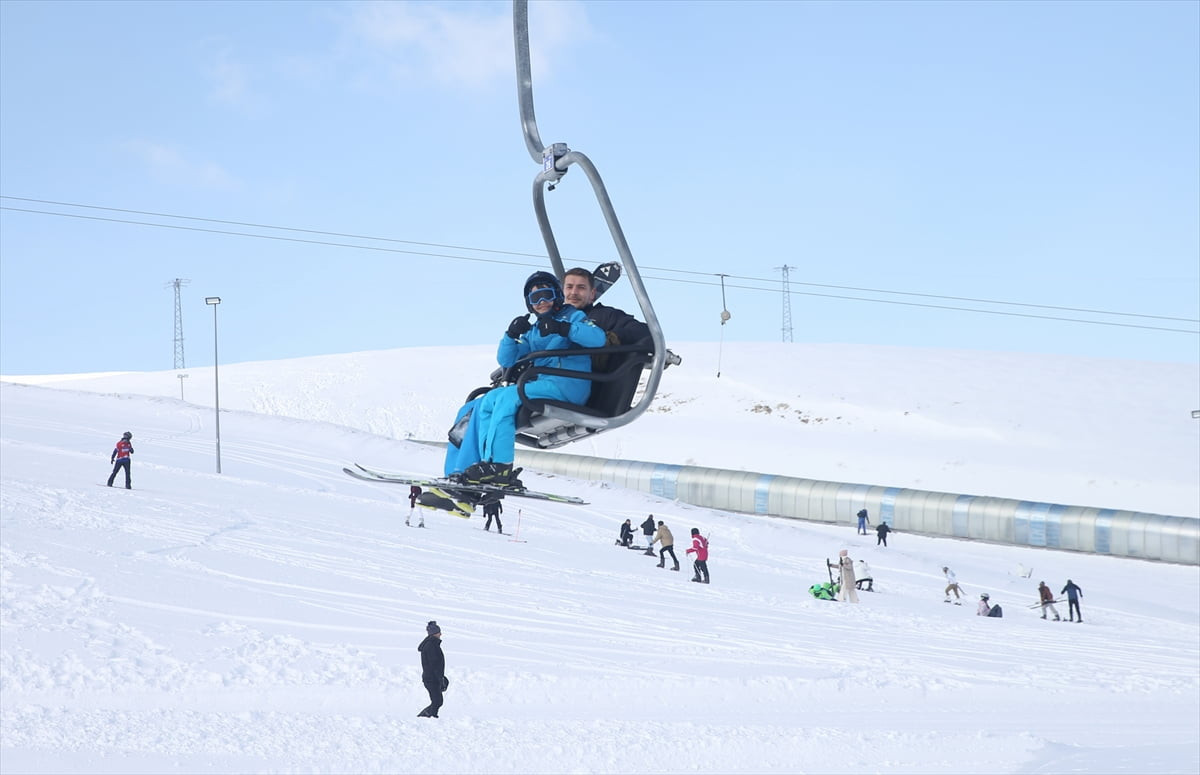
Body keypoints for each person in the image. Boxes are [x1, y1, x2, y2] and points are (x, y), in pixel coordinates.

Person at [432, 271, 606, 513]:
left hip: (567, 385)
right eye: (535, 299)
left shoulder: (574, 317)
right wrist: (511, 335)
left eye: (546, 295)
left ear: (556, 296)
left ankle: (499, 466)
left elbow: (597, 339)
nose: (541, 302)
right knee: (473, 407)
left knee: (502, 398)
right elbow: (507, 359)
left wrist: (563, 328)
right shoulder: (534, 331)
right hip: (542, 385)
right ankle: (458, 473)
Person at [417, 620, 446, 718]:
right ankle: (429, 717)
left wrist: (442, 678)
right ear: (434, 634)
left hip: (432, 678)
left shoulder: (432, 644)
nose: (440, 634)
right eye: (439, 632)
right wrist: (440, 679)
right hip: (431, 679)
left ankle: (428, 716)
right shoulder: (431, 646)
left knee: (438, 701)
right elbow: (435, 665)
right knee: (437, 701)